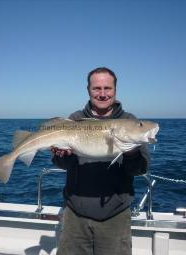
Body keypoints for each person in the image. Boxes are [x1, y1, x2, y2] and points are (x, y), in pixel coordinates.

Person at [51, 67, 149, 255]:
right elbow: (61, 164)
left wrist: (132, 153)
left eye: (107, 88)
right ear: (88, 90)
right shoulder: (75, 120)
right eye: (97, 88)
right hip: (74, 214)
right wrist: (61, 155)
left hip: (115, 215)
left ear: (115, 90)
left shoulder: (129, 121)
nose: (102, 94)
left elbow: (140, 169)